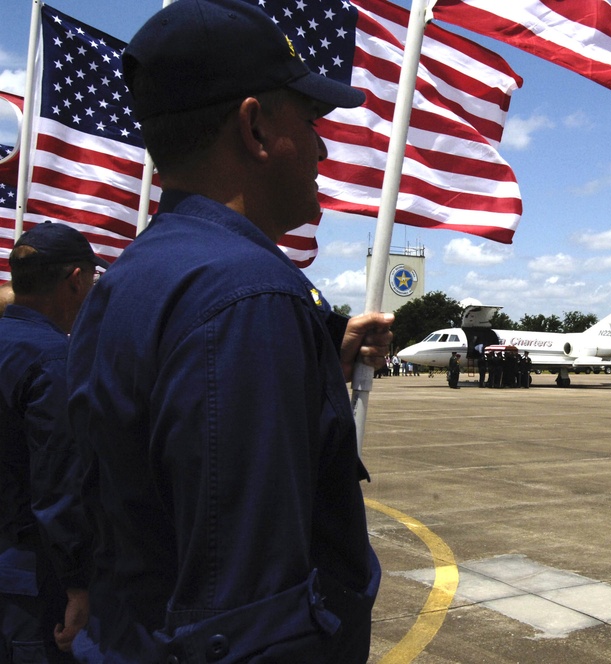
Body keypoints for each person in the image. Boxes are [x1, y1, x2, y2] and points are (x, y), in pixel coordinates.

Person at [65, 1, 393, 661]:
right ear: (255, 128)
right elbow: (250, 623)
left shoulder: (136, 274)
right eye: (310, 119)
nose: (325, 147)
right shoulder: (250, 297)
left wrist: (319, 361)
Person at [1, 222, 104, 663]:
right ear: (75, 280)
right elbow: (59, 487)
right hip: (30, 583)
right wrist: (78, 584)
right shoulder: (54, 363)